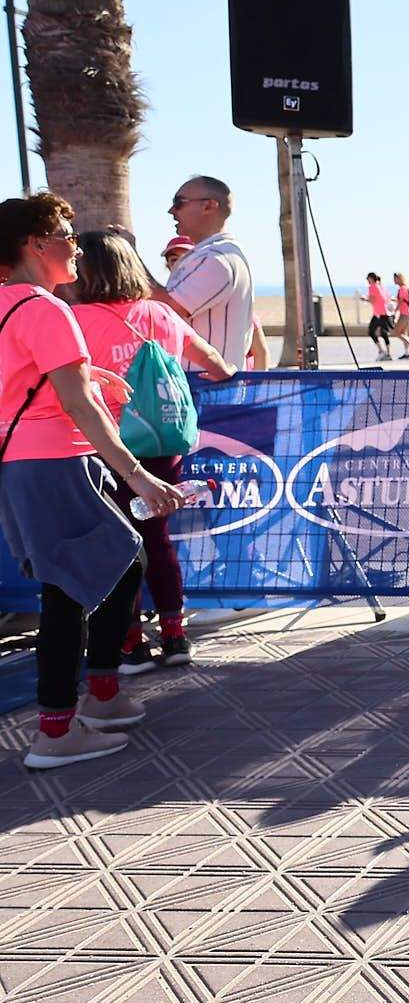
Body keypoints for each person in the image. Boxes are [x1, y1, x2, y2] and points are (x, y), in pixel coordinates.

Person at [0, 195, 181, 771]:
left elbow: (32, 376)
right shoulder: (45, 309)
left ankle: (100, 696)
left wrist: (88, 371)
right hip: (55, 460)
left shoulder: (14, 306)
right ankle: (56, 728)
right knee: (73, 588)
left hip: (27, 462)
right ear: (35, 246)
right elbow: (82, 406)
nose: (75, 245)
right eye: (65, 234)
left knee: (115, 565)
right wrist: (139, 475)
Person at [68, 232, 233, 674]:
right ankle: (176, 636)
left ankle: (130, 642)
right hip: (164, 446)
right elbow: (215, 363)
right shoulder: (160, 313)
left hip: (108, 445)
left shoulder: (77, 319)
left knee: (119, 545)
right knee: (157, 541)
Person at [158, 176, 257, 376]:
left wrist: (128, 257)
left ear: (209, 206)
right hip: (207, 382)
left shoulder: (216, 258)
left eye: (179, 203)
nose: (172, 211)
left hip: (205, 385)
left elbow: (167, 310)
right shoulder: (216, 254)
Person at [361, 272, 394, 360]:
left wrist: (365, 299)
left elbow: (372, 299)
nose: (367, 280)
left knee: (372, 332)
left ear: (371, 278)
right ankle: (386, 353)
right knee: (383, 333)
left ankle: (383, 351)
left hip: (379, 314)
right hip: (385, 313)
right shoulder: (382, 287)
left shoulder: (372, 286)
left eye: (367, 278)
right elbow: (387, 298)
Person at [392, 270, 409, 359]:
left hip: (404, 314)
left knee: (397, 332)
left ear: (399, 279)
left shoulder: (402, 288)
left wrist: (395, 312)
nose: (394, 280)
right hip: (407, 313)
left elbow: (401, 301)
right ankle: (407, 352)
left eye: (395, 278)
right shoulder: (406, 288)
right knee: (403, 332)